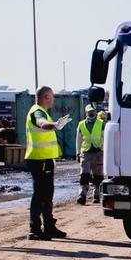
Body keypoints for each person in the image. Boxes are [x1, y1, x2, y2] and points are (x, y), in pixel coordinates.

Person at [24, 86, 70, 240]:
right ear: (45, 96)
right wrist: (55, 125)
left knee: (47, 194)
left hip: (44, 159)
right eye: (52, 96)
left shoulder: (41, 111)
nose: (53, 99)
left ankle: (49, 226)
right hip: (39, 159)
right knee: (40, 194)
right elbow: (42, 124)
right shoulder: (37, 111)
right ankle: (35, 229)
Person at [76, 104, 104, 205]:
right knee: (84, 174)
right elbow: (78, 139)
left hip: (98, 152)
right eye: (89, 112)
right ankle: (82, 195)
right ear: (86, 113)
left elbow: (104, 136)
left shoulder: (101, 123)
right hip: (86, 152)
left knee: (97, 176)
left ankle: (96, 195)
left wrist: (104, 149)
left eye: (93, 111)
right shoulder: (81, 124)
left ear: (95, 112)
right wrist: (78, 152)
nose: (91, 113)